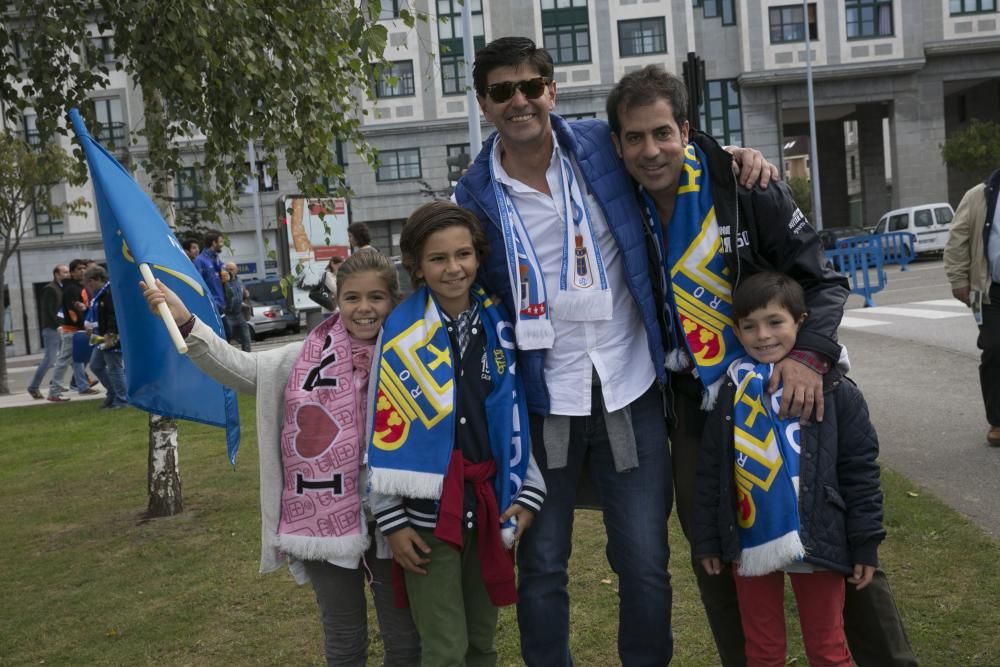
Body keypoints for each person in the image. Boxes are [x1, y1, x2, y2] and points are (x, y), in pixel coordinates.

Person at [453, 37, 775, 666]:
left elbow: (669, 151)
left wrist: (733, 155)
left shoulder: (600, 149)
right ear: (483, 103)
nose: (519, 101)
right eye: (501, 91)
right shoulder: (474, 198)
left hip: (628, 385)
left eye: (531, 85)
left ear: (552, 88)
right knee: (543, 565)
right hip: (547, 401)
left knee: (644, 562)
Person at [607, 64, 915, 666]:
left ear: (687, 131)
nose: (651, 150)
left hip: (789, 390)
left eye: (663, 133)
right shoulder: (619, 203)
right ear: (617, 144)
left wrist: (806, 357)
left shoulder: (745, 187)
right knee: (719, 552)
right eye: (635, 137)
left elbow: (823, 281)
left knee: (833, 540)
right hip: (701, 406)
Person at [141, 251, 420, 667]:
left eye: (376, 297)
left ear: (394, 300)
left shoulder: (413, 357)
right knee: (345, 642)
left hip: (396, 520)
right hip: (319, 517)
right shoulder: (300, 359)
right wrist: (185, 321)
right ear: (337, 301)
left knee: (405, 641)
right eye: (352, 298)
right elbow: (239, 368)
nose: (364, 309)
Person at [369, 201, 546, 666]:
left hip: (488, 510)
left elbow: (516, 413)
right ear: (417, 267)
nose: (454, 268)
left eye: (463, 255)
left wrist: (529, 491)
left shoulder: (499, 327)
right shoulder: (399, 333)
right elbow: (378, 427)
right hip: (427, 520)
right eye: (438, 259)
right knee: (445, 649)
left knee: (482, 644)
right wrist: (392, 519)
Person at [694, 272, 885, 667]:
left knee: (828, 648)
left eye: (775, 322)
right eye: (750, 326)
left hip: (818, 534)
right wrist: (708, 541)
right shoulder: (729, 392)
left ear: (801, 320)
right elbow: (712, 473)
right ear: (737, 330)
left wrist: (865, 541)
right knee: (762, 651)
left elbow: (860, 471)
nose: (763, 335)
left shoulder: (835, 389)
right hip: (750, 538)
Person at [944, 168, 1000, 447]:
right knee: (994, 349)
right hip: (988, 290)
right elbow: (957, 240)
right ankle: (998, 421)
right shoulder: (979, 196)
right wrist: (958, 279)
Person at [47, 259, 99, 402]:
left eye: (83, 268)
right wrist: (84, 325)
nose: (82, 271)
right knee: (64, 361)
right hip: (73, 330)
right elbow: (73, 311)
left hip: (77, 329)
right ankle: (54, 391)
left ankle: (82, 386)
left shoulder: (76, 287)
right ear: (72, 272)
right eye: (78, 269)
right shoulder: (72, 289)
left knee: (77, 360)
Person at [83, 265, 128, 409]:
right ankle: (113, 392)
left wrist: (111, 333)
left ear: (97, 279)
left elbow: (113, 315)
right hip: (101, 336)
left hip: (111, 336)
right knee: (96, 365)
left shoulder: (108, 293)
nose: (88, 286)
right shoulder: (99, 295)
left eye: (89, 282)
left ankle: (122, 399)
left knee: (114, 367)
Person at [27, 264, 69, 399]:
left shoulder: (61, 288)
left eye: (68, 272)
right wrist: (58, 325)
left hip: (61, 328)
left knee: (65, 358)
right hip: (53, 329)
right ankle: (33, 387)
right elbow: (48, 310)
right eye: (64, 272)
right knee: (49, 360)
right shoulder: (50, 289)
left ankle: (56, 383)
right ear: (56, 274)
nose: (67, 275)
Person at [193, 230, 228, 337]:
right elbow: (197, 284)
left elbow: (224, 273)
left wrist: (228, 275)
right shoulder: (200, 260)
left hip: (221, 304)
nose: (222, 244)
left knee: (227, 335)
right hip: (212, 305)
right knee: (222, 336)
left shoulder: (216, 258)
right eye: (221, 241)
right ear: (214, 243)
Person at [221, 261, 252, 352]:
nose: (229, 271)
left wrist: (246, 295)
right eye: (227, 269)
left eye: (231, 269)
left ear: (236, 270)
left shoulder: (239, 281)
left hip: (239, 314)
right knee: (226, 338)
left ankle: (247, 357)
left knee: (246, 338)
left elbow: (243, 294)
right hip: (228, 315)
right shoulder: (223, 282)